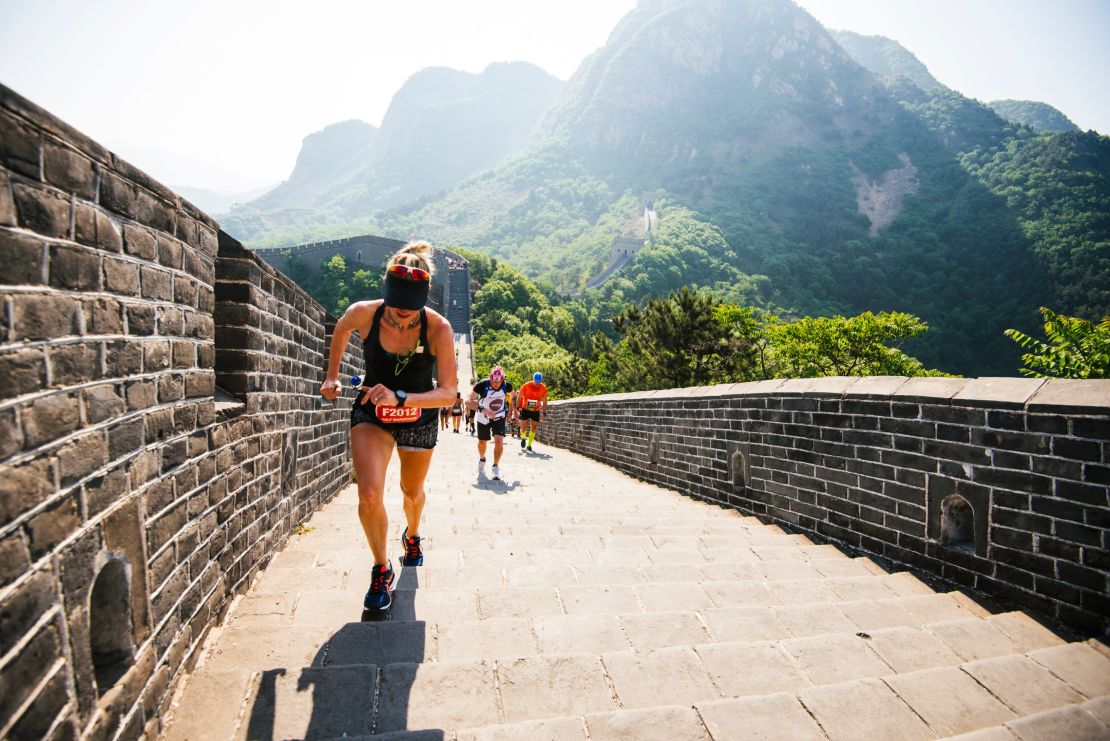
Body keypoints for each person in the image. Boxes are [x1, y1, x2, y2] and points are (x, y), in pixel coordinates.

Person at [319, 241, 457, 615]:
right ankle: (381, 567)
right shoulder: (364, 314)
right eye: (397, 311)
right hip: (372, 414)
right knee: (368, 493)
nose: (403, 318)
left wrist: (402, 397)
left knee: (411, 492)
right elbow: (341, 328)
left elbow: (448, 394)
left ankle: (412, 534)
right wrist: (331, 376)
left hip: (418, 416)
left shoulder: (438, 329)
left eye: (412, 313)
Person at [468, 365, 513, 481]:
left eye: (498, 381)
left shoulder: (507, 386)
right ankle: (482, 459)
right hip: (483, 417)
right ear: (491, 377)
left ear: (502, 379)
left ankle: (495, 467)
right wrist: (483, 409)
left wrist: (514, 411)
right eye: (493, 380)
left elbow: (514, 396)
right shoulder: (482, 385)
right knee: (482, 442)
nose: (496, 383)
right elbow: (468, 401)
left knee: (499, 441)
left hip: (499, 417)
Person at [516, 371, 548, 451]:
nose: (537, 383)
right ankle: (523, 437)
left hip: (536, 410)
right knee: (523, 427)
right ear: (533, 379)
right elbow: (519, 396)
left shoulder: (543, 388)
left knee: (534, 427)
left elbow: (544, 401)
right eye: (536, 381)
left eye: (539, 382)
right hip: (525, 409)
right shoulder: (526, 385)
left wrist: (543, 413)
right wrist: (517, 407)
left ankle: (529, 445)